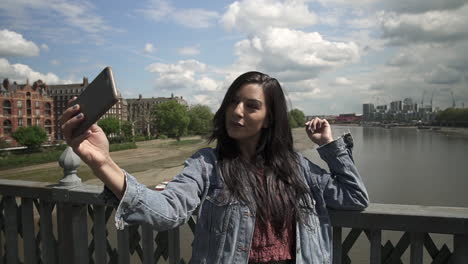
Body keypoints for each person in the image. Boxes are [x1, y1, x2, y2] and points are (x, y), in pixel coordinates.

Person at [61, 71, 369, 264]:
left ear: (270, 119)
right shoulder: (208, 163)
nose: (236, 111)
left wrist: (329, 147)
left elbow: (354, 197)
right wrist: (101, 161)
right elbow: (166, 212)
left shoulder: (296, 167)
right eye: (234, 102)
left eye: (251, 106)